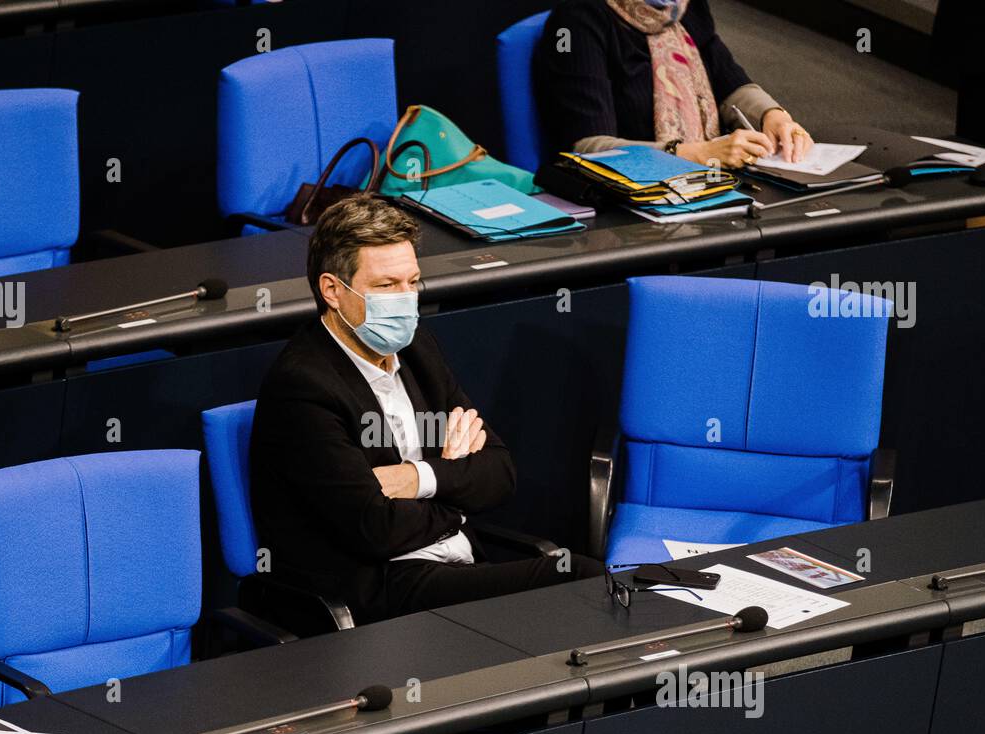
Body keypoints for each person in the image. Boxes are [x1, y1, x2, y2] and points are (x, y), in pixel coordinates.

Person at [249, 195, 602, 623]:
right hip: (382, 589)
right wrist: (457, 489)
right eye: (386, 285)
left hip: (455, 562)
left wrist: (420, 477)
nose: (405, 300)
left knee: (594, 593)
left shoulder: (417, 348)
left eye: (412, 282)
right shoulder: (303, 386)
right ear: (332, 291)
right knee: (582, 581)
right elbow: (376, 528)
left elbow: (500, 470)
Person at [535, 0, 813, 168]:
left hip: (703, 186)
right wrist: (696, 154)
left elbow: (728, 79)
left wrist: (772, 115)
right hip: (627, 206)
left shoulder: (682, 8)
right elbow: (589, 148)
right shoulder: (576, 21)